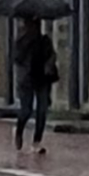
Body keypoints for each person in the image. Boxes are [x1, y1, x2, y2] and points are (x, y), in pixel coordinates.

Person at [13, 17, 57, 153]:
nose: (33, 28)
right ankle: (19, 131)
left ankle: (37, 141)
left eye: (35, 25)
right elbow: (17, 59)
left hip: (42, 79)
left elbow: (52, 55)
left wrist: (49, 64)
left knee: (42, 110)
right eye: (30, 25)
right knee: (26, 109)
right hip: (27, 80)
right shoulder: (22, 42)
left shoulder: (44, 41)